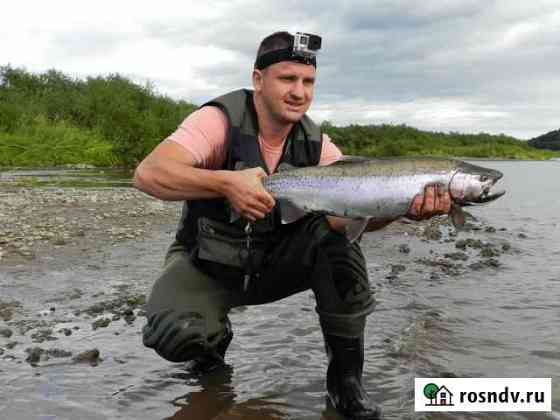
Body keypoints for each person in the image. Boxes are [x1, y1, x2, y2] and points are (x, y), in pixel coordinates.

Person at [133, 31, 451, 420]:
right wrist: (225, 183)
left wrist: (401, 209)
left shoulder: (318, 145)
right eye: (287, 79)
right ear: (258, 80)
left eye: (308, 82)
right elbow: (149, 174)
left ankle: (345, 384)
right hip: (208, 263)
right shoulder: (218, 121)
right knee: (177, 332)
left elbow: (344, 220)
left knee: (339, 244)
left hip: (273, 267)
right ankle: (211, 352)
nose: (299, 92)